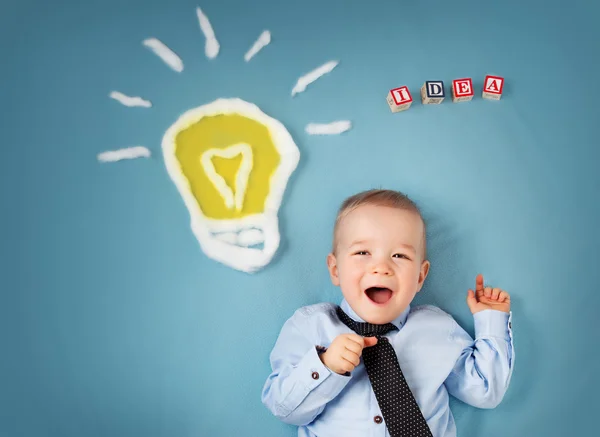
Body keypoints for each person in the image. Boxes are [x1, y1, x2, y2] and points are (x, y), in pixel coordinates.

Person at [261, 189, 514, 437]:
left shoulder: (438, 329)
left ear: (420, 277)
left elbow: (484, 390)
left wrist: (491, 320)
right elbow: (284, 409)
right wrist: (325, 365)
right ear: (335, 269)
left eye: (399, 255)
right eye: (362, 253)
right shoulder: (310, 327)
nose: (381, 267)